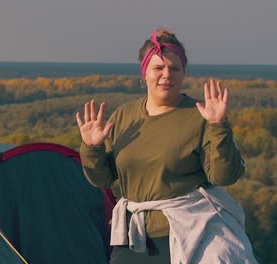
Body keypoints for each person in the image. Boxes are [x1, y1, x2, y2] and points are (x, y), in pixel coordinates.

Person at [76, 29, 257, 264]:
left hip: (186, 232)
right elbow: (103, 180)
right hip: (132, 235)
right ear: (144, 73)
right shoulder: (125, 117)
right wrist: (92, 149)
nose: (166, 75)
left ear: (183, 73)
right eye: (158, 68)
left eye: (174, 69)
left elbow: (223, 176)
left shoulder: (200, 115)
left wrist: (219, 125)